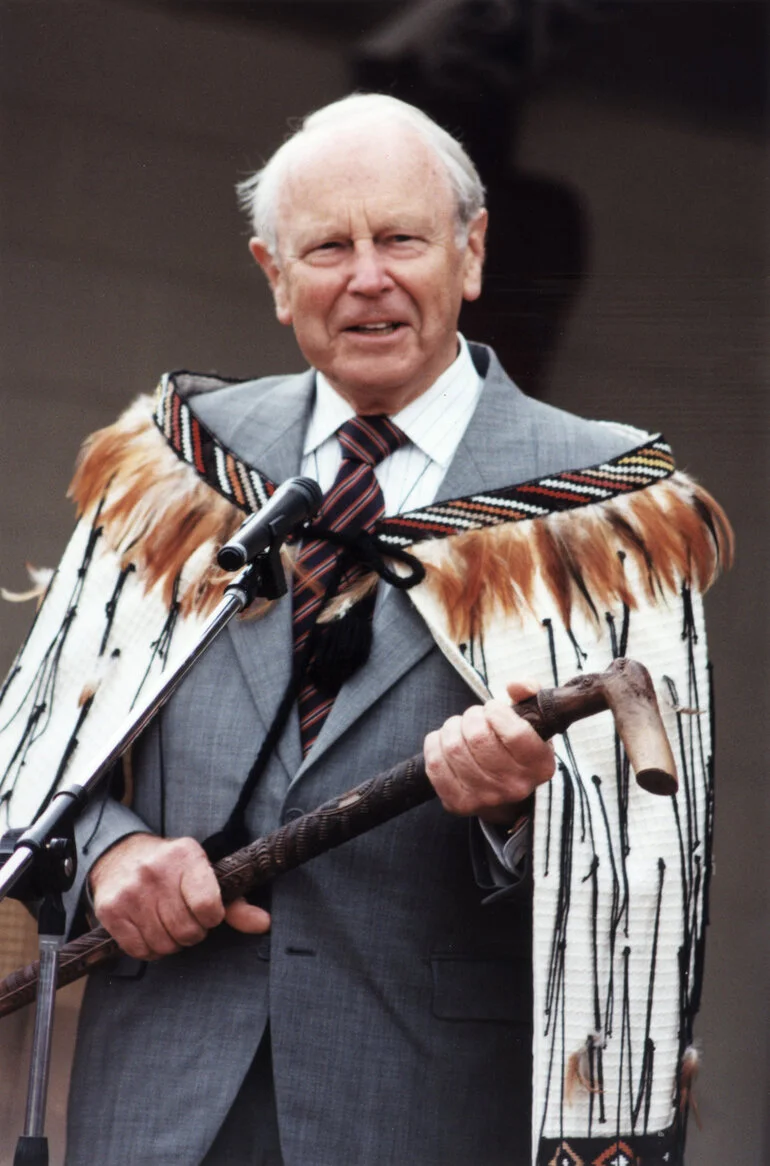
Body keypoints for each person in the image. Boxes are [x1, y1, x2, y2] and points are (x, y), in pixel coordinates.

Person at [0, 95, 729, 1166]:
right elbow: (31, 748)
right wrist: (111, 854)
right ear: (273, 274)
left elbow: (643, 868)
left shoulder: (602, 508)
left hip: (427, 1110)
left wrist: (513, 813)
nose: (367, 277)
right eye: (328, 247)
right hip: (158, 1110)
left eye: (400, 239)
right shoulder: (174, 462)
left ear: (469, 254)